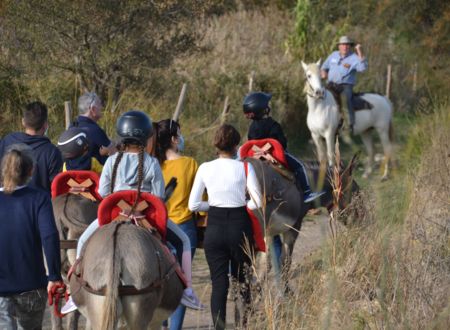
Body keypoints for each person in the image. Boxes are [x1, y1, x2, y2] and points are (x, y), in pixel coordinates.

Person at [61, 110, 203, 314]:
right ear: (146, 137)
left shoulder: (111, 161)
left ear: (121, 134)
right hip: (145, 217)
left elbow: (102, 192)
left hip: (113, 215)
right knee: (184, 242)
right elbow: (158, 195)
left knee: (83, 240)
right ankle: (188, 290)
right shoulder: (152, 162)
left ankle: (75, 293)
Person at [188, 124, 262, 330]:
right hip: (240, 226)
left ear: (216, 145)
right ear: (237, 145)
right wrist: (241, 204)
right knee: (242, 282)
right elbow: (257, 202)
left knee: (219, 285)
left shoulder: (205, 167)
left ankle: (219, 327)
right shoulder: (245, 167)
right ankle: (242, 325)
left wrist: (212, 205)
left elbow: (192, 205)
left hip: (215, 228)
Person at [0, 144, 63, 329]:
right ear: (31, 170)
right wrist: (54, 275)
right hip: (32, 286)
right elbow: (50, 236)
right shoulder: (40, 198)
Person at [154, 119, 204, 329]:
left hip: (159, 228)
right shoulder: (190, 164)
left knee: (160, 281)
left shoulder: (153, 164)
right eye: (179, 135)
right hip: (184, 228)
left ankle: (161, 323)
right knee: (182, 282)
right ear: (174, 140)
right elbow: (199, 202)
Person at [242, 91, 324, 203]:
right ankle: (306, 193)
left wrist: (260, 151)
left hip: (258, 157)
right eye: (267, 104)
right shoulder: (273, 125)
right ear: (263, 109)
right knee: (300, 166)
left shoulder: (251, 128)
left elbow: (251, 143)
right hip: (274, 156)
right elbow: (281, 143)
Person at [0, 101, 63, 193]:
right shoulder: (52, 152)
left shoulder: (7, 141)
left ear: (23, 122)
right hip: (39, 205)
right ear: (45, 125)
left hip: (6, 202)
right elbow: (56, 188)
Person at [321, 35, 368, 134]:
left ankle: (348, 125)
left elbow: (363, 68)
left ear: (350, 46)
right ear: (339, 46)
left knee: (346, 100)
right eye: (343, 45)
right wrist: (323, 72)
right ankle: (323, 123)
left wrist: (359, 51)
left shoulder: (354, 57)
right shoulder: (333, 55)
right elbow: (324, 66)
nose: (345, 47)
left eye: (347, 45)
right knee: (321, 97)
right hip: (331, 84)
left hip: (346, 85)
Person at [71, 92, 116, 165]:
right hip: (94, 174)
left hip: (71, 175)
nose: (102, 107)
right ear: (93, 109)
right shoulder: (95, 130)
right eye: (100, 104)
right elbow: (113, 152)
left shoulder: (72, 127)